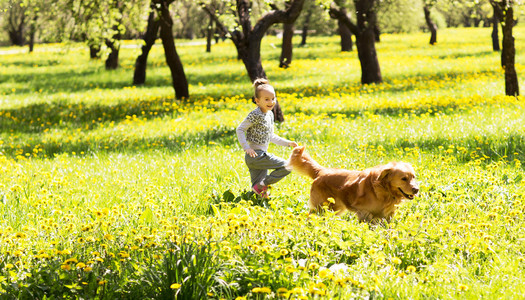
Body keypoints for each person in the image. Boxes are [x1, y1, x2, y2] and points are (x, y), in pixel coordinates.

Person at [236, 78, 298, 198]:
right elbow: (240, 129)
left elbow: (270, 136)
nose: (271, 102)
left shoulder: (269, 114)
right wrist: (246, 147)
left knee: (259, 191)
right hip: (255, 156)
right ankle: (261, 186)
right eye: (266, 99)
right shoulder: (255, 114)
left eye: (273, 98)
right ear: (257, 101)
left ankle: (258, 202)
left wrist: (288, 143)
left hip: (258, 156)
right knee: (288, 166)